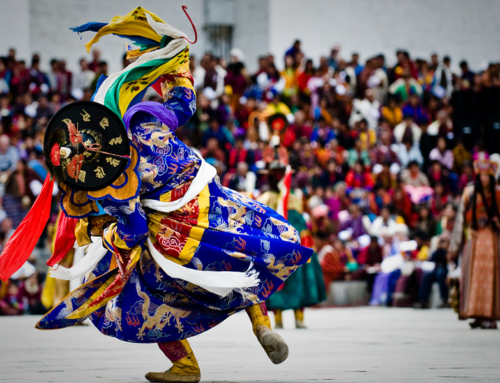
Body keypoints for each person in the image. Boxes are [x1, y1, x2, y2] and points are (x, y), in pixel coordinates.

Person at [0, 8, 313, 383]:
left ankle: (185, 364)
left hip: (172, 235)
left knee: (139, 293)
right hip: (208, 205)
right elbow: (184, 103)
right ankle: (260, 323)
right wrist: (176, 66)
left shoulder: (112, 179)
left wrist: (106, 235)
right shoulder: (146, 118)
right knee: (240, 253)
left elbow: (132, 229)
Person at [257, 162, 326, 330]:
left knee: (300, 280)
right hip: (277, 245)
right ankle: (278, 318)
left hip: (301, 243)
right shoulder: (266, 197)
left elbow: (302, 219)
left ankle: (299, 318)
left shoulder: (296, 196)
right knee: (277, 281)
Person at [449, 159, 500, 329]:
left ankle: (490, 315)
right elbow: (460, 221)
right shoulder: (469, 193)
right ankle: (476, 313)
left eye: (487, 176)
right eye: (481, 175)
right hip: (473, 239)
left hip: (492, 240)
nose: (484, 179)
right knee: (472, 277)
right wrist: (454, 246)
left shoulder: (498, 194)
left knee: (491, 278)